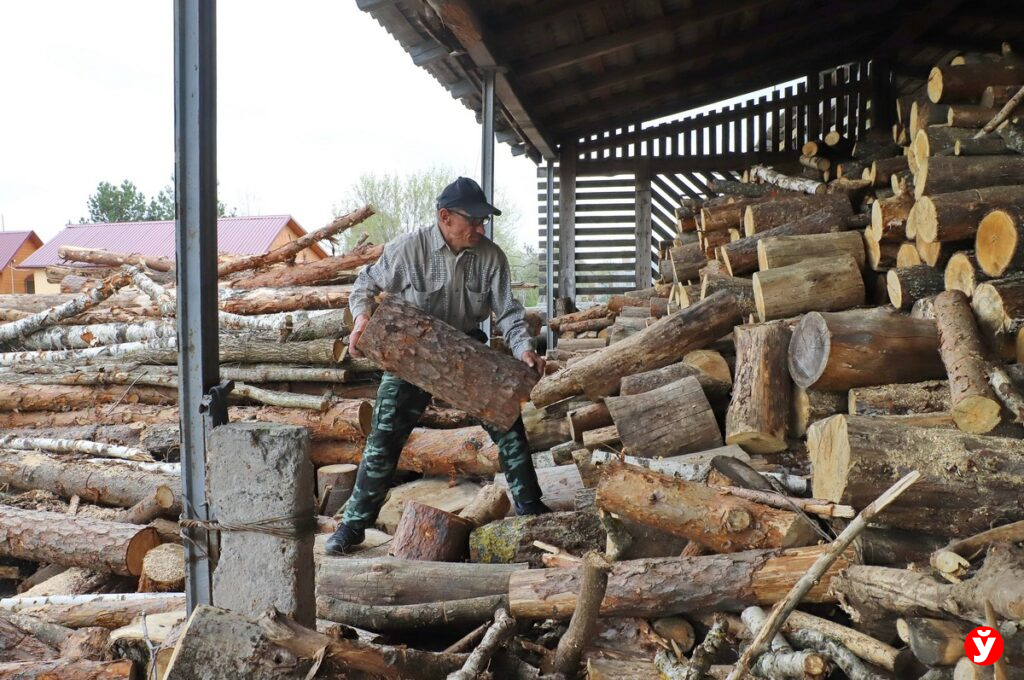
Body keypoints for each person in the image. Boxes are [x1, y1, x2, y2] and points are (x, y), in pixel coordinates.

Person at [325, 177, 550, 555]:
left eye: (484, 221)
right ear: (445, 217)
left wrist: (523, 348)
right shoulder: (407, 249)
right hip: (412, 353)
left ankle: (530, 506)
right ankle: (354, 526)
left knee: (508, 423)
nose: (481, 228)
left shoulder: (491, 257)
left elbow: (509, 314)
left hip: (466, 349)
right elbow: (363, 285)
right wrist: (362, 318)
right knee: (383, 438)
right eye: (474, 221)